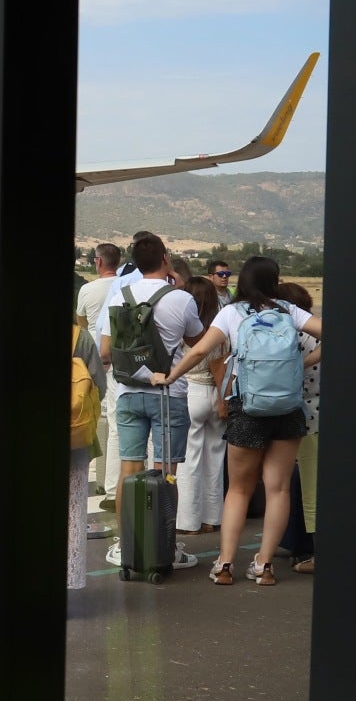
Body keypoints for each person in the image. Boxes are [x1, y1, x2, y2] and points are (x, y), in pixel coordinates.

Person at [155, 256, 316, 585]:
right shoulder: (289, 311)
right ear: (274, 280)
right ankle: (264, 566)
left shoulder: (232, 312)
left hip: (247, 408)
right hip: (288, 409)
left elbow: (200, 351)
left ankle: (226, 564)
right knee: (279, 488)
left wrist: (170, 376)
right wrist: (303, 363)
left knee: (239, 490)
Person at [95, 231, 202, 570]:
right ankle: (164, 546)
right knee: (165, 472)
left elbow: (107, 351)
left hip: (127, 392)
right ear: (166, 258)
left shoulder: (119, 296)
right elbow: (198, 341)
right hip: (169, 392)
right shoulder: (180, 298)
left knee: (130, 469)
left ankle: (127, 545)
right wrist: (180, 283)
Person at [176, 275, 226, 536]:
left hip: (190, 390)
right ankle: (212, 518)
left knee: (189, 460)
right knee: (215, 458)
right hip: (217, 393)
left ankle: (188, 520)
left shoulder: (185, 328)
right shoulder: (221, 327)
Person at [76, 243, 123, 515]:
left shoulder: (88, 290)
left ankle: (101, 475)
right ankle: (109, 480)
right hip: (116, 359)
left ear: (98, 262)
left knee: (97, 419)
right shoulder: (125, 287)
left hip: (92, 357)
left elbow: (80, 321)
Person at [280, 281, 320, 574]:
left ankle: (307, 550)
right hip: (319, 415)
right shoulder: (318, 337)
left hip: (298, 416)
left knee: (301, 488)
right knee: (306, 485)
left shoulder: (289, 338)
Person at [68, 313, 107, 589]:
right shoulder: (78, 336)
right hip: (75, 437)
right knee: (74, 509)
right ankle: (72, 580)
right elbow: (99, 386)